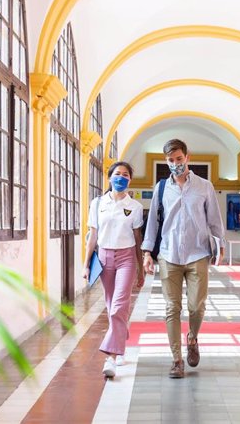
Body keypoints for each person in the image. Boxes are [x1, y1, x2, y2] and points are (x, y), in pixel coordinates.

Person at [141, 139, 226, 378]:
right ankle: (177, 359)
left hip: (198, 252)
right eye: (170, 160)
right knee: (172, 308)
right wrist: (148, 252)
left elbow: (214, 220)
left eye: (179, 159)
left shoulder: (204, 186)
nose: (175, 164)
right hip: (169, 254)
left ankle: (192, 337)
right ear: (166, 161)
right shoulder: (160, 189)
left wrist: (220, 244)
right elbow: (153, 223)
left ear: (187, 157)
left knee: (196, 306)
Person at [84, 161, 145, 378]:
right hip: (104, 258)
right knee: (112, 306)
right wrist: (86, 263)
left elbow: (138, 239)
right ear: (109, 177)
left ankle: (110, 356)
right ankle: (120, 340)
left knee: (119, 305)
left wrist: (141, 268)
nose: (121, 177)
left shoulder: (135, 207)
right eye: (117, 174)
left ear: (130, 179)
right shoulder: (98, 203)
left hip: (127, 258)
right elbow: (92, 235)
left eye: (125, 174)